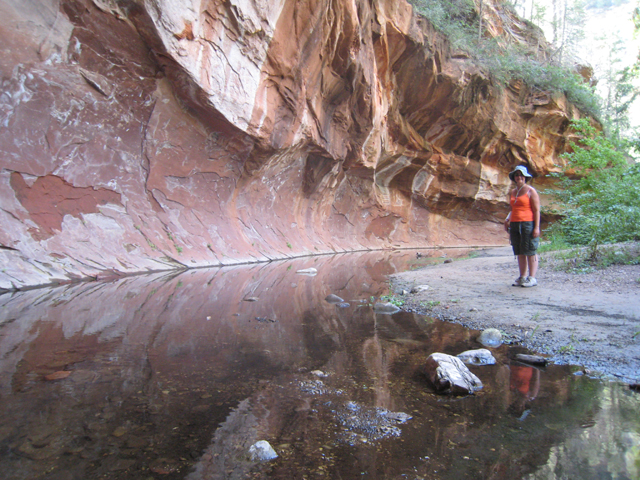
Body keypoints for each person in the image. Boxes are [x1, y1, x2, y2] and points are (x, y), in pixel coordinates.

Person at [504, 165, 540, 287]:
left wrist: (536, 227)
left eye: (521, 175)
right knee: (519, 251)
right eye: (517, 175)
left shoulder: (531, 191)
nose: (519, 177)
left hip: (527, 224)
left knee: (530, 250)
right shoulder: (513, 192)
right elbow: (512, 208)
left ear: (525, 177)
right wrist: (507, 219)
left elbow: (536, 210)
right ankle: (523, 277)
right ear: (514, 178)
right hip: (515, 224)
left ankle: (532, 278)